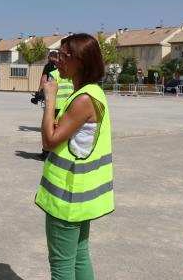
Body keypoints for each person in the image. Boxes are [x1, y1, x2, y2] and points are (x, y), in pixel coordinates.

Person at [35, 33, 114, 280]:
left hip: (66, 199)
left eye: (63, 55)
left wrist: (49, 99)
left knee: (61, 268)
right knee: (80, 256)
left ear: (80, 60)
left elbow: (49, 140)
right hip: (81, 197)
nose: (57, 60)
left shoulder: (83, 100)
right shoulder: (94, 93)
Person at [35, 50, 73, 161]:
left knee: (50, 128)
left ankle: (46, 153)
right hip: (68, 105)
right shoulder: (71, 74)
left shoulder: (54, 73)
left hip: (55, 105)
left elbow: (47, 84)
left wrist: (39, 92)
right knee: (65, 129)